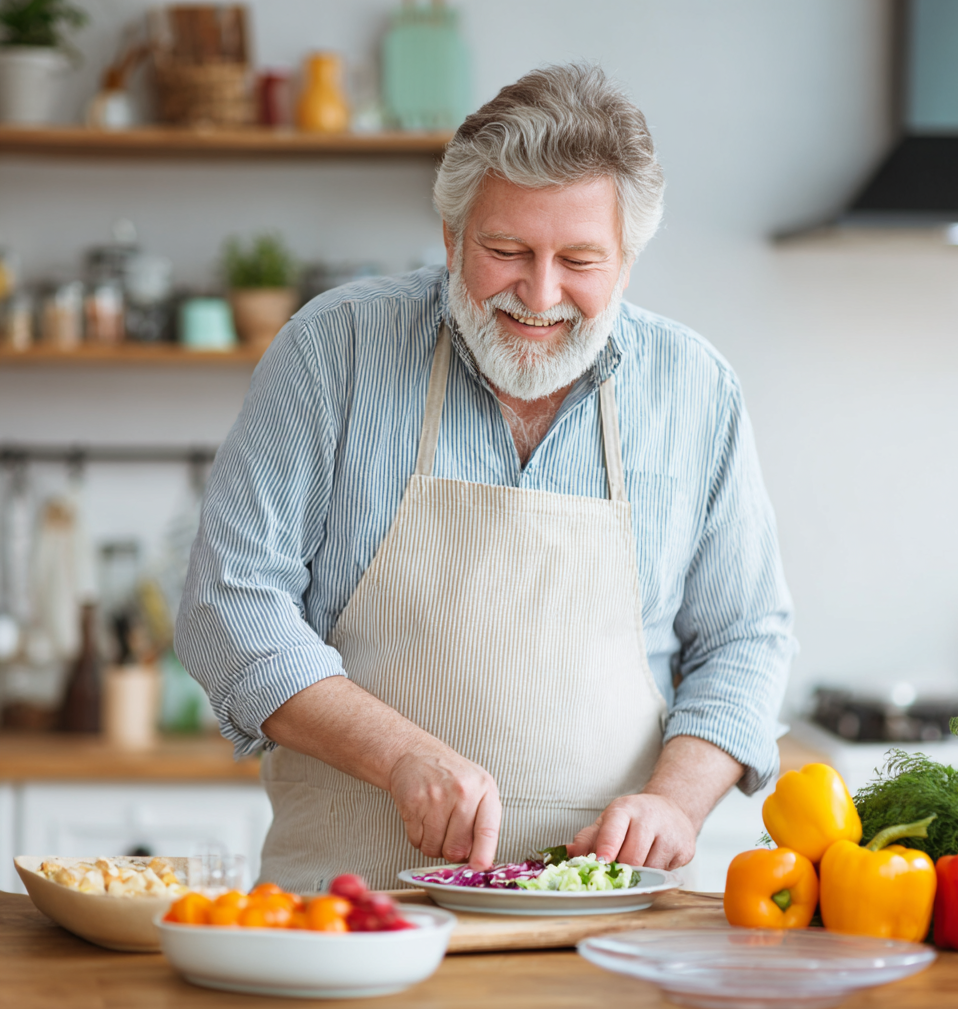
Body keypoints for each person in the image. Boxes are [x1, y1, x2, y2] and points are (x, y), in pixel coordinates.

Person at [176, 63, 796, 892]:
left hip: (601, 918)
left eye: (580, 259)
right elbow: (229, 602)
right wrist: (400, 755)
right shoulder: (336, 351)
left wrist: (675, 805)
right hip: (348, 910)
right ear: (450, 235)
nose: (540, 295)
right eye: (507, 251)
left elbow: (745, 639)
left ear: (629, 257)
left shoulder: (697, 388)